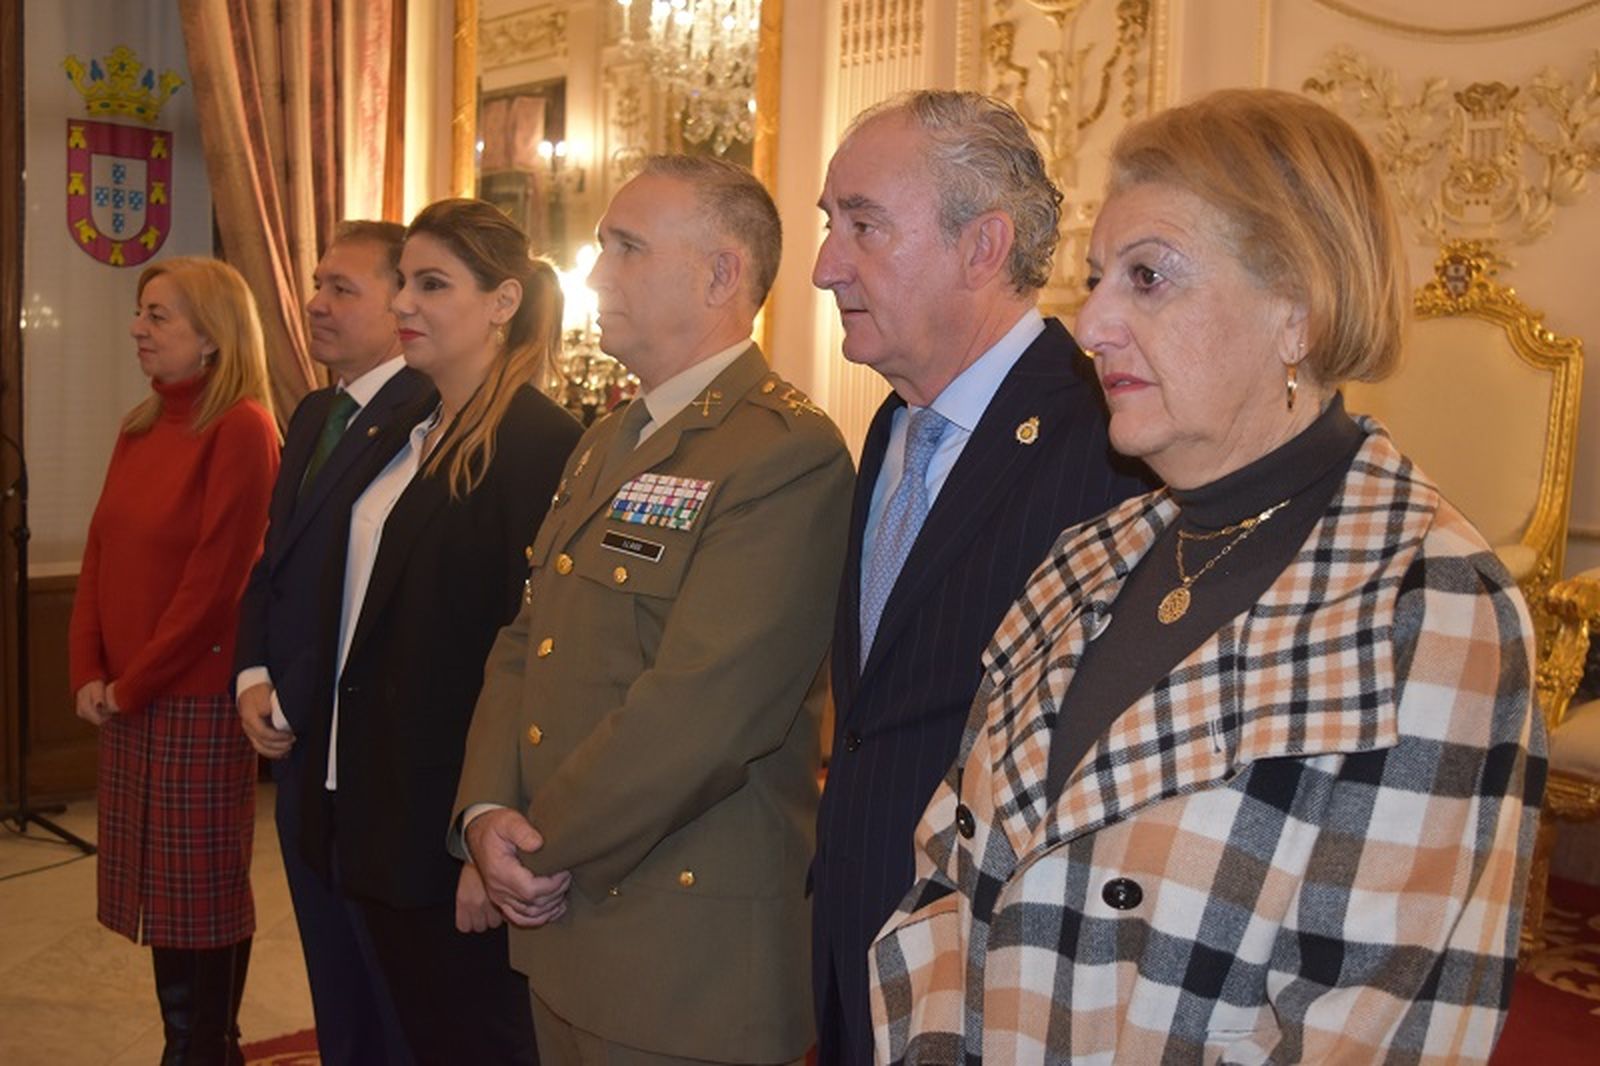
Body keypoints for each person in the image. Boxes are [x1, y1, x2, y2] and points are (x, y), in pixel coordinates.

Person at [870, 88, 1545, 1063]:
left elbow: (1378, 1028)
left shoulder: (1427, 608)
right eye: (1097, 278)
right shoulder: (1083, 558)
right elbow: (943, 878)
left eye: (1147, 278)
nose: (1090, 322)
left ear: (1297, 314)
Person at [452, 155, 854, 1066]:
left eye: (626, 247)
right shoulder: (610, 438)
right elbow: (528, 638)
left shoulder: (783, 452)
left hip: (684, 955)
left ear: (720, 274)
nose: (595, 275)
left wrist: (533, 842)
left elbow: (704, 710)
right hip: (565, 916)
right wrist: (483, 810)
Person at [807, 89, 1152, 1064]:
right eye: (830, 226)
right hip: (852, 929)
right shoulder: (890, 422)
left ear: (982, 246)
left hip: (993, 969)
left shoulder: (1106, 440)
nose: (828, 266)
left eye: (863, 226)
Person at [295, 199, 581, 1065]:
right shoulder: (408, 427)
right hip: (372, 804)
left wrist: (482, 840)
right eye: (404, 283)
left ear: (501, 302)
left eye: (432, 284)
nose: (405, 304)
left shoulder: (538, 442)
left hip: (444, 827)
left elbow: (536, 656)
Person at [70, 256, 280, 1063]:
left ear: (213, 338)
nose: (138, 328)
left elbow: (216, 583)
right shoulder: (139, 424)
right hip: (128, 693)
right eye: (141, 311)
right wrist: (88, 669)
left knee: (201, 895)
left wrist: (133, 683)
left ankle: (204, 1046)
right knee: (159, 891)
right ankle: (188, 1042)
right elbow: (100, 551)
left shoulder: (242, 429)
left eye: (160, 315)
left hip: (188, 696)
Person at [234, 220, 430, 1066]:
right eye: (316, 283)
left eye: (340, 288)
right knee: (330, 974)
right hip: (296, 745)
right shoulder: (317, 410)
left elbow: (381, 601)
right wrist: (250, 673)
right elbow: (273, 563)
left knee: (390, 993)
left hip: (363, 747)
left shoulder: (429, 409)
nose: (314, 303)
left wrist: (298, 691)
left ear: (402, 305)